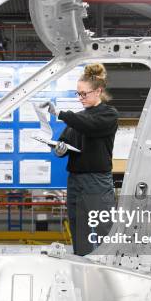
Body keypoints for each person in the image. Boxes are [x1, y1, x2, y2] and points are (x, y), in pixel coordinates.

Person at [41, 64, 118, 255]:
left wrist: (59, 113)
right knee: (78, 228)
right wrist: (59, 149)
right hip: (75, 180)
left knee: (102, 228)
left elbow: (89, 125)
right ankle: (82, 265)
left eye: (84, 94)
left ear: (98, 91)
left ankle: (106, 269)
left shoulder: (109, 115)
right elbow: (63, 144)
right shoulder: (77, 118)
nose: (80, 98)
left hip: (97, 181)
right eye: (78, 94)